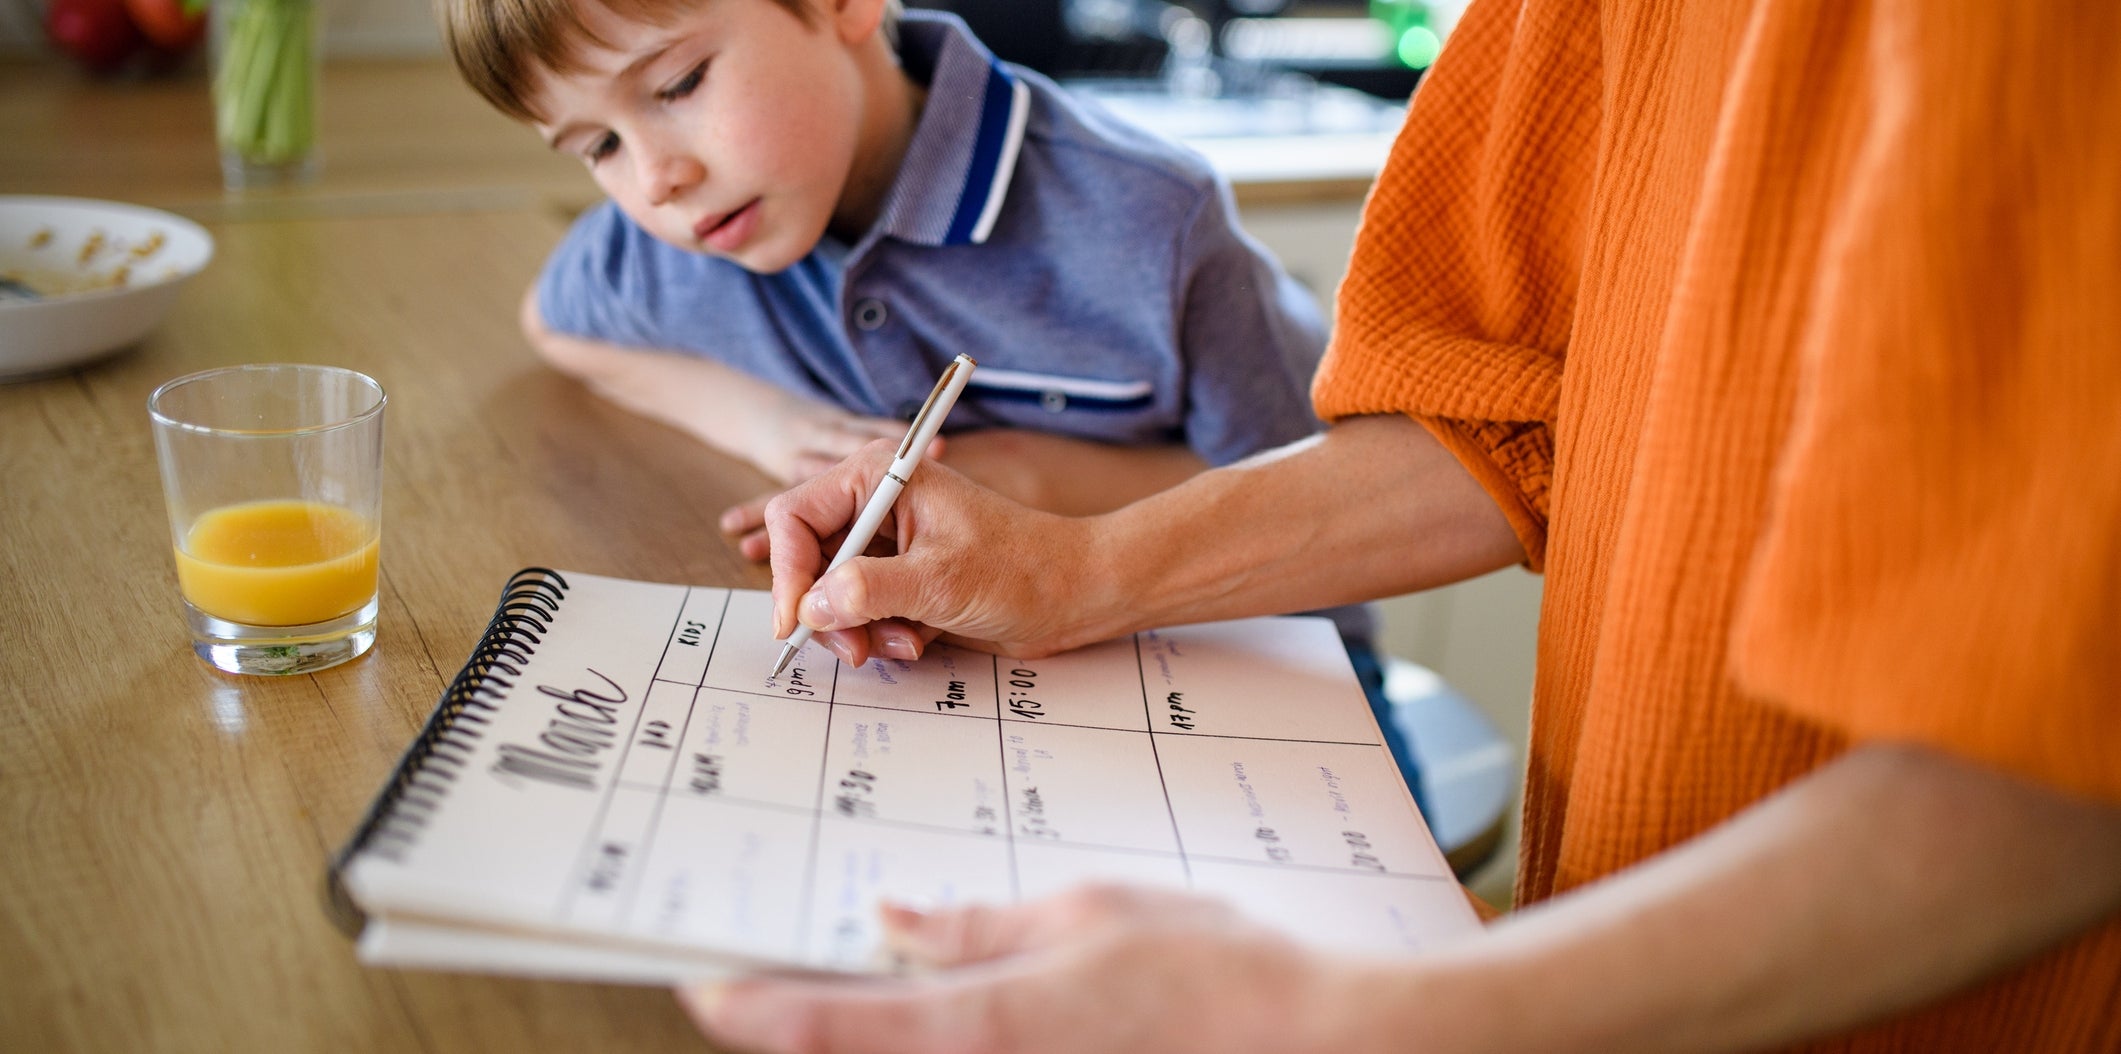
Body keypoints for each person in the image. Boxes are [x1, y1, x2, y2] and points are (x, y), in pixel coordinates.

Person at [689, 0, 2121, 1049]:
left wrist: (1384, 1016)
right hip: (1603, 937)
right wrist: (1075, 570)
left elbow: (2062, 765)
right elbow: (1503, 418)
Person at [434, 0, 1423, 794]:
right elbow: (554, 321)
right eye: (596, 146)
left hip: (1256, 681)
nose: (655, 179)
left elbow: (1317, 502)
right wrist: (759, 420)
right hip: (970, 719)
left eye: (680, 84)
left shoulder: (1148, 217)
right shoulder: (690, 233)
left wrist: (1029, 475)